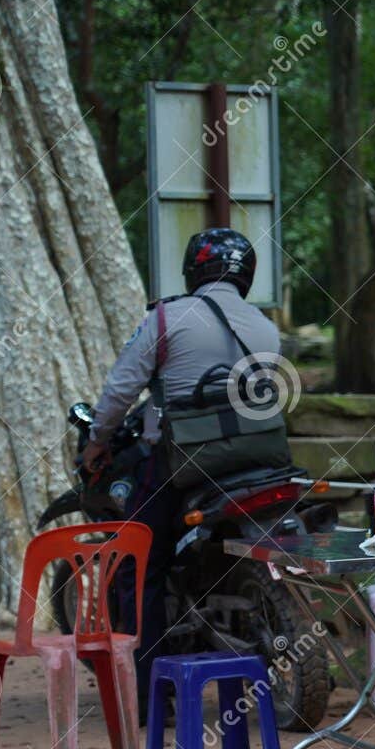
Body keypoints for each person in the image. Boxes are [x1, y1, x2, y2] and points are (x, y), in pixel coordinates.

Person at [85, 228, 279, 720]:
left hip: (183, 465)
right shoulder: (264, 325)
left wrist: (97, 441)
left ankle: (152, 699)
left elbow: (122, 388)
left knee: (137, 563)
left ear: (194, 270)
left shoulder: (168, 316)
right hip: (259, 463)